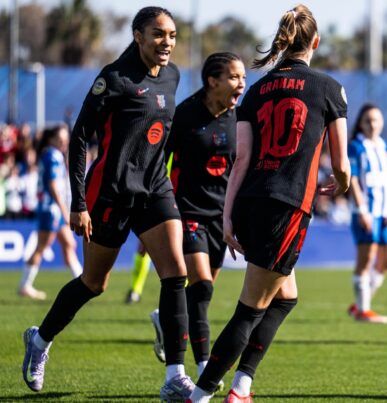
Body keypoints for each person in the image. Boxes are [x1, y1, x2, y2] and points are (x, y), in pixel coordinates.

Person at [21, 7, 195, 401]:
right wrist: (78, 203)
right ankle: (40, 339)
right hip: (111, 192)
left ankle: (175, 375)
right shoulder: (114, 78)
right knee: (93, 283)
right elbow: (80, 136)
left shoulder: (173, 76)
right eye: (157, 34)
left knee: (175, 272)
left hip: (154, 189)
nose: (166, 41)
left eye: (171, 34)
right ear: (137, 36)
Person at [187, 5, 350, 402]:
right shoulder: (329, 87)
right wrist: (341, 183)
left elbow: (241, 159)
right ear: (315, 42)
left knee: (286, 296)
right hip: (286, 206)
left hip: (248, 202)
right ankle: (200, 395)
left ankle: (242, 387)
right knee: (251, 307)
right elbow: (342, 163)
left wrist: (227, 216)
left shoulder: (257, 89)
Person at [148, 52, 246, 393]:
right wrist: (160, 205)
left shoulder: (240, 118)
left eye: (243, 77)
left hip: (223, 219)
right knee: (201, 286)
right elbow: (157, 160)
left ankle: (167, 320)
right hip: (187, 212)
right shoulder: (185, 115)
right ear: (212, 81)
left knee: (199, 293)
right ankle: (206, 369)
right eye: (234, 77)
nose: (241, 84)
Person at [18, 125, 83, 300]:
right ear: (52, 139)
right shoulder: (52, 156)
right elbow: (53, 185)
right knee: (41, 247)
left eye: (65, 138)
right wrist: (64, 209)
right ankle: (25, 285)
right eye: (60, 139)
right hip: (51, 209)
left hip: (53, 209)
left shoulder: (51, 155)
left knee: (69, 245)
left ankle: (83, 284)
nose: (64, 142)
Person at [346, 103, 387, 324]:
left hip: (386, 212)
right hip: (367, 212)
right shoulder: (356, 146)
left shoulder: (385, 146)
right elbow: (353, 179)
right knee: (365, 261)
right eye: (368, 120)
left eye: (376, 119)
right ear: (361, 123)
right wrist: (362, 210)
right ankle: (364, 310)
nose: (373, 124)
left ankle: (360, 303)